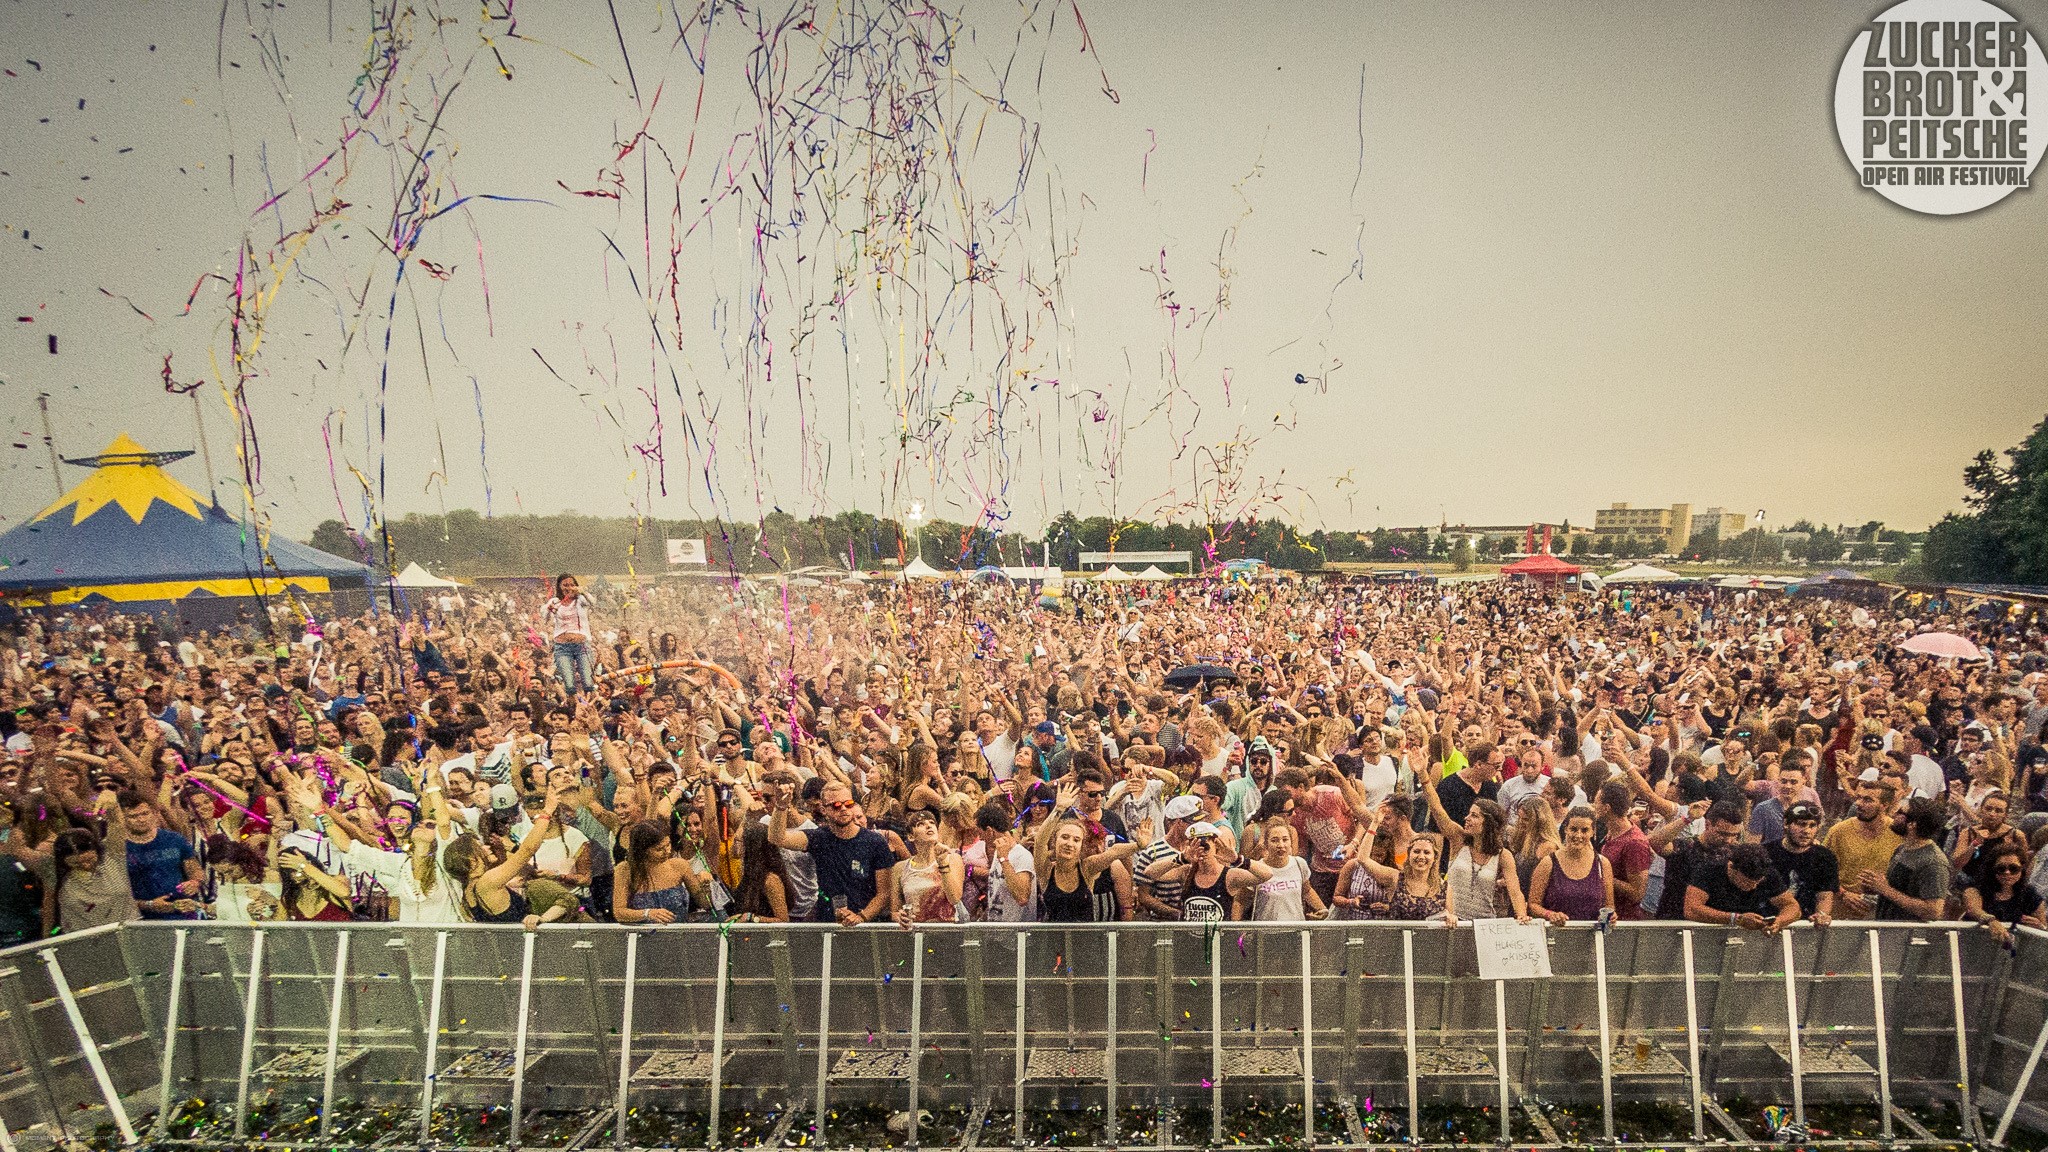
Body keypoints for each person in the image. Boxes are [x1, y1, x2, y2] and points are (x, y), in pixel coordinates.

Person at [768, 781, 896, 926]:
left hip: (866, 924)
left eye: (848, 804)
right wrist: (780, 807)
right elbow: (777, 838)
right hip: (828, 921)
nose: (843, 809)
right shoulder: (819, 838)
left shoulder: (875, 841)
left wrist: (861, 917)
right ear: (823, 809)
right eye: (836, 805)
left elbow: (884, 893)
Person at [1863, 798, 1952, 922]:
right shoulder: (1902, 848)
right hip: (1886, 926)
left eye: (1900, 812)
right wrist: (1876, 886)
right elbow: (1898, 890)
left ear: (1913, 824)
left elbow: (1934, 911)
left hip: (1907, 935)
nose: (1894, 814)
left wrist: (1885, 889)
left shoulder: (1933, 862)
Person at [120, 791, 202, 920]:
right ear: (122, 818)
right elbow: (115, 895)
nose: (141, 819)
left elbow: (195, 869)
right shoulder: (116, 849)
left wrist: (194, 882)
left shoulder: (174, 839)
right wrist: (149, 905)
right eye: (133, 816)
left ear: (153, 813)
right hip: (141, 920)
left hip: (183, 915)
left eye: (145, 813)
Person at [1826, 781, 1902, 918]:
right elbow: (1822, 871)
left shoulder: (1898, 833)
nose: (1859, 804)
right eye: (1859, 798)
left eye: (1868, 800)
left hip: (1880, 911)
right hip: (1841, 909)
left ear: (1884, 805)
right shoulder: (1839, 831)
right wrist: (1843, 893)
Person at [1445, 799, 1529, 921]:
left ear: (1489, 822)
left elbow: (1515, 893)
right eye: (1469, 813)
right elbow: (1438, 811)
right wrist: (1426, 782)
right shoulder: (1459, 842)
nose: (1466, 818)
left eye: (1474, 815)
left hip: (1484, 924)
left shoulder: (1503, 855)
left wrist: (1522, 916)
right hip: (1452, 921)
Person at [1685, 843, 1799, 933]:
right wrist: (1736, 919)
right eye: (1746, 882)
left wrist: (1780, 921)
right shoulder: (1708, 870)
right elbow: (1691, 909)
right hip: (1707, 932)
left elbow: (1792, 906)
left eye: (1758, 882)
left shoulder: (1769, 874)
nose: (1753, 887)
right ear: (1731, 867)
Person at [1529, 808, 1614, 925]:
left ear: (1592, 832)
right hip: (1556, 934)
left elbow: (1609, 906)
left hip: (1591, 936)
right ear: (1565, 829)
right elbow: (1533, 905)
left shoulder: (1602, 863)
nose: (1578, 835)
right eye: (1573, 829)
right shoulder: (1548, 862)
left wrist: (1607, 919)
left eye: (1584, 830)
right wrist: (1550, 915)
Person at [1234, 819, 1328, 922]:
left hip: (1296, 931)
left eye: (1285, 839)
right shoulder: (1257, 869)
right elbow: (1239, 901)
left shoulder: (1299, 864)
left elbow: (1307, 890)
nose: (1281, 845)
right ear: (1266, 844)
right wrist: (1236, 929)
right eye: (1274, 840)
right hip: (1265, 933)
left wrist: (1322, 909)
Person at [1766, 802, 1839, 926]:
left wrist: (1821, 915)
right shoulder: (1766, 853)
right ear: (1786, 824)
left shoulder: (1825, 857)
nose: (1806, 831)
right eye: (1801, 824)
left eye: (1812, 825)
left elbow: (1824, 896)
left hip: (1805, 925)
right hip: (1768, 921)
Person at [1961, 844, 2045, 947]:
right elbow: (1973, 909)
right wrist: (1991, 921)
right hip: (1976, 947)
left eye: (2013, 868)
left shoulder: (2029, 893)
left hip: (2013, 953)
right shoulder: (1976, 888)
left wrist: (2039, 927)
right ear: (1992, 869)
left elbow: (2043, 927)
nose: (2007, 872)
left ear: (2021, 869)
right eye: (2001, 868)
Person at [892, 810, 964, 925]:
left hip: (947, 933)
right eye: (920, 824)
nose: (928, 826)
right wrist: (899, 916)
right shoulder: (900, 868)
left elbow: (954, 898)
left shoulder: (953, 858)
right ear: (911, 836)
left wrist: (942, 863)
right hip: (915, 933)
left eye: (931, 822)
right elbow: (895, 910)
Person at [542, 573, 596, 695]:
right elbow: (544, 617)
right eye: (565, 585)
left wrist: (582, 592)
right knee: (569, 685)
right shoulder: (555, 601)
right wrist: (548, 609)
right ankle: (573, 708)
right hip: (562, 647)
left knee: (588, 682)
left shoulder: (580, 600)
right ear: (560, 586)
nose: (569, 588)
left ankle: (590, 707)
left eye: (572, 585)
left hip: (581, 645)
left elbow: (592, 603)